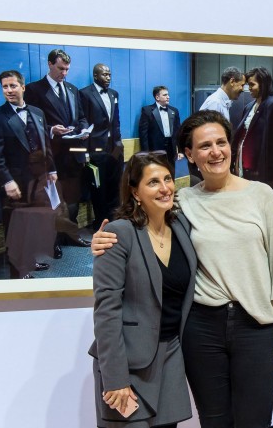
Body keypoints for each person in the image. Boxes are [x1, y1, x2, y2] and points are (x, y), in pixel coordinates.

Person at [93, 110, 273, 428]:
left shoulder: (261, 196)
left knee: (254, 421)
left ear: (231, 146)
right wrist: (103, 239)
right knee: (214, 422)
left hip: (256, 328)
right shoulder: (181, 200)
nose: (215, 151)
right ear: (189, 154)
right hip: (202, 328)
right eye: (205, 146)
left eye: (221, 142)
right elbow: (142, 221)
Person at [89, 152, 196, 428]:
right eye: (153, 182)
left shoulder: (181, 225)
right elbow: (106, 311)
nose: (164, 188)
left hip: (170, 356)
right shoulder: (118, 233)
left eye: (168, 179)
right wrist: (115, 378)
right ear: (135, 192)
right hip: (127, 363)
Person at [0, 69, 56, 278]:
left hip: (38, 183)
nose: (8, 90)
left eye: (13, 85)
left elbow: (46, 145)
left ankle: (30, 261)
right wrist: (7, 181)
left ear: (23, 87)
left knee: (33, 225)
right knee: (16, 230)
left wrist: (51, 169)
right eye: (5, 87)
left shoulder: (37, 112)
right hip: (14, 185)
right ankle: (18, 271)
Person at [24, 49, 90, 223]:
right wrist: (51, 129)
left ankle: (71, 233)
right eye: (61, 68)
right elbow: (29, 124)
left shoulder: (72, 89)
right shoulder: (34, 90)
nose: (64, 73)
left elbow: (81, 117)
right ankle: (54, 240)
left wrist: (83, 130)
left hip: (74, 155)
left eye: (67, 69)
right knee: (52, 200)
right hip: (52, 156)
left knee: (73, 199)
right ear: (50, 64)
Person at [80, 63, 124, 230]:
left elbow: (116, 122)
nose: (108, 77)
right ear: (95, 76)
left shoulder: (114, 94)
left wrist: (119, 146)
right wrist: (86, 153)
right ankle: (100, 225)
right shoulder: (84, 93)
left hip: (114, 149)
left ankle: (115, 224)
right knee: (99, 189)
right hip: (95, 150)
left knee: (115, 187)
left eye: (109, 74)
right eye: (104, 74)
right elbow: (82, 122)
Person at [232, 67, 273, 189]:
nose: (248, 88)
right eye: (248, 84)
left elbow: (271, 145)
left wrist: (263, 172)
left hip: (259, 168)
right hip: (242, 163)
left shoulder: (271, 105)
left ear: (263, 84)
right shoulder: (249, 106)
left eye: (252, 84)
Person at [139, 86, 182, 168]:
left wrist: (179, 151)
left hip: (171, 149)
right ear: (157, 97)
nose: (168, 97)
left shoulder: (174, 111)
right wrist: (146, 154)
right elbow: (143, 135)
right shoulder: (147, 111)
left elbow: (178, 131)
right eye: (165, 95)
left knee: (171, 172)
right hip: (155, 150)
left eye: (168, 95)